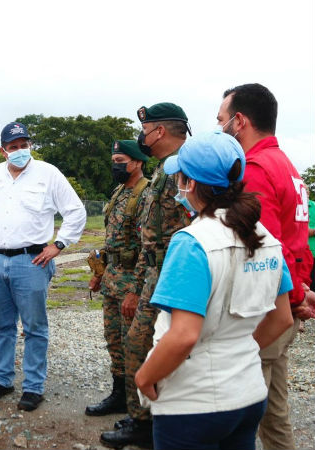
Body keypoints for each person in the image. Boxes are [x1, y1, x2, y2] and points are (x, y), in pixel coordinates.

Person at [134, 130, 295, 450]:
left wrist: (143, 377)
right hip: (247, 394)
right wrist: (239, 351)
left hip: (194, 405)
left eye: (180, 176)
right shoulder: (265, 238)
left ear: (190, 183)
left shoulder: (193, 242)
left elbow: (183, 336)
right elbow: (282, 319)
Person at [217, 83, 314, 450]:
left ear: (239, 121)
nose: (219, 127)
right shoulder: (286, 164)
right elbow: (294, 241)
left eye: (222, 120)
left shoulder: (255, 168)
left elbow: (268, 248)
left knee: (241, 413)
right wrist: (300, 292)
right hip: (287, 301)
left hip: (270, 307)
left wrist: (294, 295)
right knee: (275, 413)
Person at [0, 122, 86, 412]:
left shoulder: (48, 174)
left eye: (24, 145)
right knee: (2, 326)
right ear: (3, 150)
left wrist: (59, 245)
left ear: (30, 145)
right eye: (13, 147)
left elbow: (75, 211)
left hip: (31, 260)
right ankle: (3, 379)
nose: (19, 151)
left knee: (34, 327)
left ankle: (33, 386)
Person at [100, 103, 191, 448]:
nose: (144, 136)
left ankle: (150, 422)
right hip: (152, 272)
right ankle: (142, 418)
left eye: (147, 128)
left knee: (145, 347)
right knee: (135, 345)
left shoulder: (186, 167)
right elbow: (148, 239)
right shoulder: (167, 171)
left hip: (172, 274)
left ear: (160, 131)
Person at [85, 140, 149, 417]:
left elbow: (148, 248)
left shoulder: (146, 195)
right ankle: (119, 396)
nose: (115, 165)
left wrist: (136, 291)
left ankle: (139, 410)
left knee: (134, 345)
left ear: (137, 162)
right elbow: (111, 239)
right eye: (114, 160)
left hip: (132, 282)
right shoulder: (119, 193)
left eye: (120, 160)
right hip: (112, 280)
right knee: (114, 341)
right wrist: (99, 274)